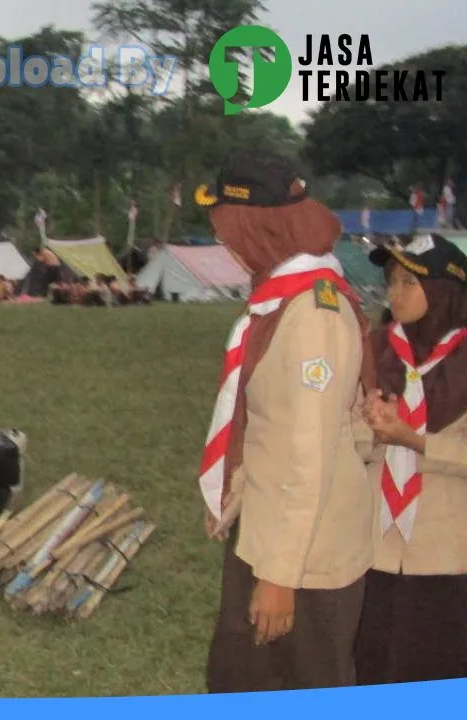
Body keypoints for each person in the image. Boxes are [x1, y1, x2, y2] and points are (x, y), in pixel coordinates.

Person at [195, 152, 375, 692]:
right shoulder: (283, 298)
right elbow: (273, 429)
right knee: (237, 677)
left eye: (226, 226)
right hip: (270, 527)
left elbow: (309, 452)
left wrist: (279, 576)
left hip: (304, 556)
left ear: (255, 223)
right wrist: (238, 493)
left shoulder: (312, 315)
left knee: (295, 681)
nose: (224, 241)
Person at [355, 233, 467, 684]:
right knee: (372, 667)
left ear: (444, 289)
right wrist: (371, 429)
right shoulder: (375, 348)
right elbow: (344, 438)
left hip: (445, 552)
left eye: (408, 282)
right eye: (390, 281)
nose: (393, 294)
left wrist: (416, 441)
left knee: (434, 671)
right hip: (374, 548)